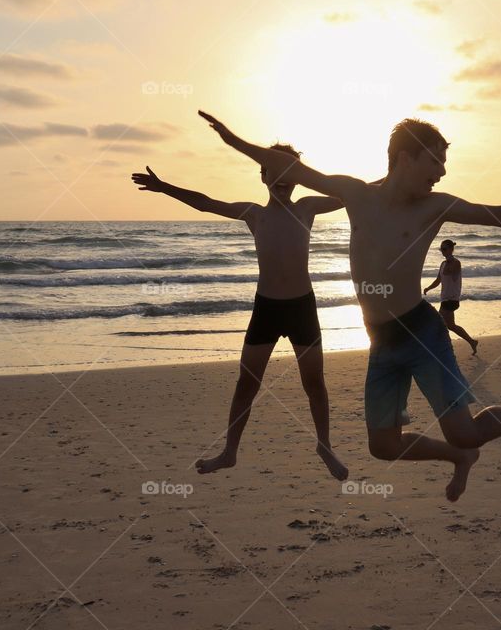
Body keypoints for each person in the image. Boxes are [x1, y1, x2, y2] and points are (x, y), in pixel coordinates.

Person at [199, 111, 501, 500]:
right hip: (381, 341)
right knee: (382, 446)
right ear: (405, 158)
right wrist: (232, 139)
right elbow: (291, 169)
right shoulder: (355, 193)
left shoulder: (435, 207)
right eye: (435, 160)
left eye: (444, 163)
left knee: (464, 432)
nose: (442, 171)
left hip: (420, 331)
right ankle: (459, 460)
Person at [130, 145, 349, 481]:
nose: (281, 179)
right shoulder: (254, 214)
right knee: (247, 383)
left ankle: (324, 445)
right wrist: (165, 187)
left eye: (290, 172)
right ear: (262, 175)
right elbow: (205, 203)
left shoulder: (308, 208)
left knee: (314, 382)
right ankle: (229, 451)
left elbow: (354, 193)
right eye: (273, 172)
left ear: (299, 178)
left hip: (302, 306)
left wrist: (399, 180)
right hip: (268, 308)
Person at [423, 239, 478, 355]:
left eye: (444, 249)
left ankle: (442, 349)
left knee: (438, 323)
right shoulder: (443, 264)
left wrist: (449, 260)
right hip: (444, 298)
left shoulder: (456, 262)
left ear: (451, 250)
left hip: (452, 299)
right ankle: (472, 341)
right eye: (441, 249)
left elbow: (450, 273)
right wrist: (428, 288)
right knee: (451, 325)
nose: (442, 251)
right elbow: (439, 280)